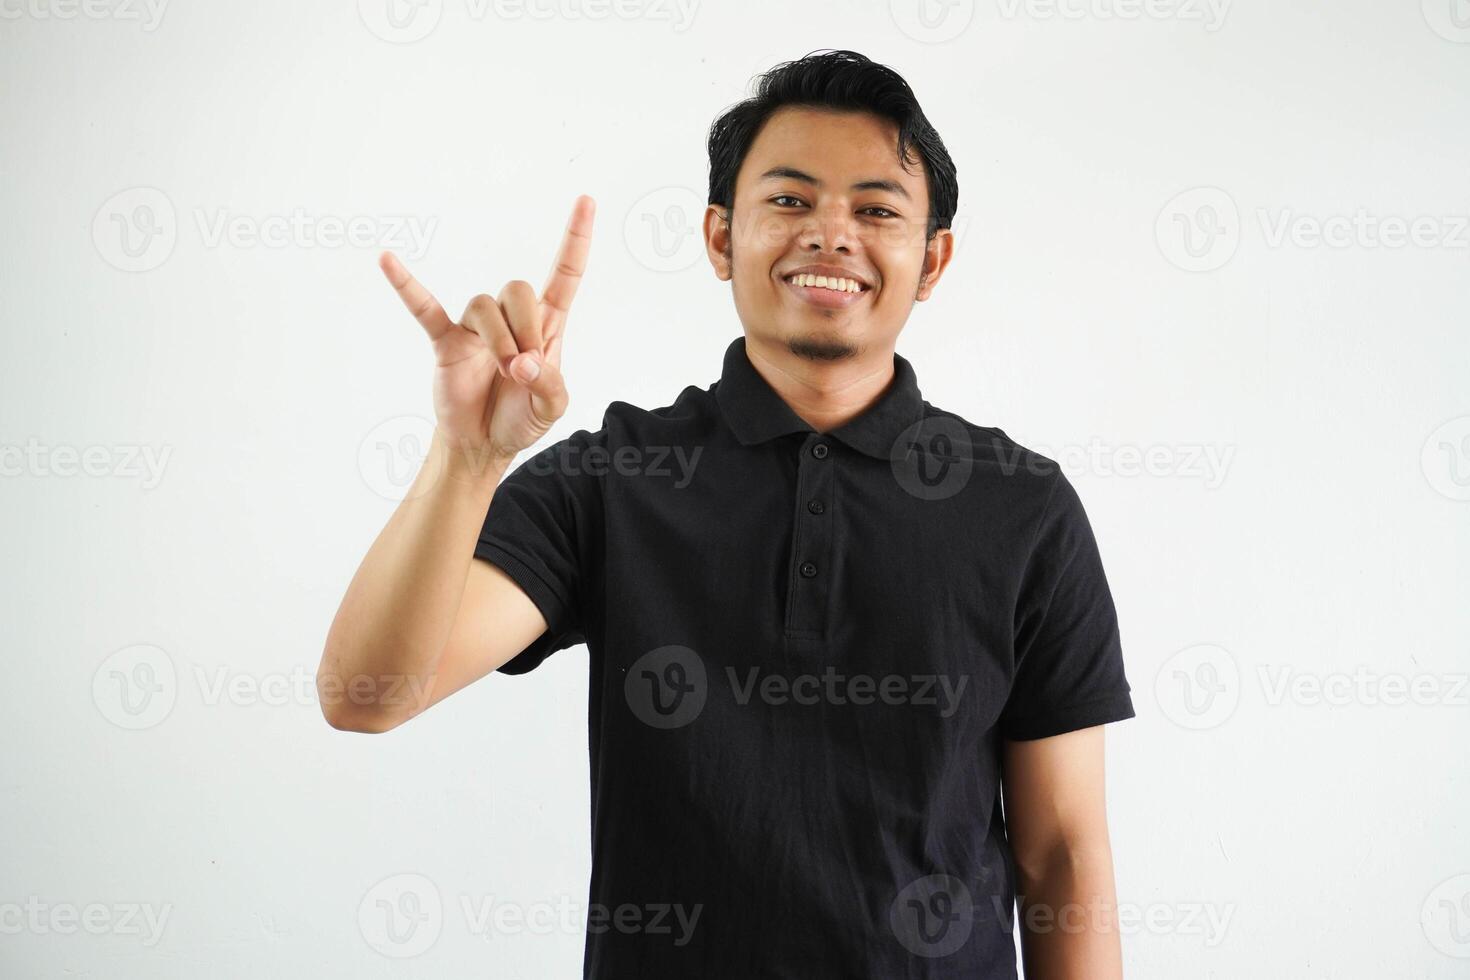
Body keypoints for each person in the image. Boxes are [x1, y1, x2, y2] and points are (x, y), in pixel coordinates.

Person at [319, 48, 1135, 979]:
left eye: (875, 209)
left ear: (932, 260)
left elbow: (1062, 853)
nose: (831, 235)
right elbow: (366, 697)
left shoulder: (1023, 508)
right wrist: (468, 459)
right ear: (719, 237)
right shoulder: (617, 478)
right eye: (789, 201)